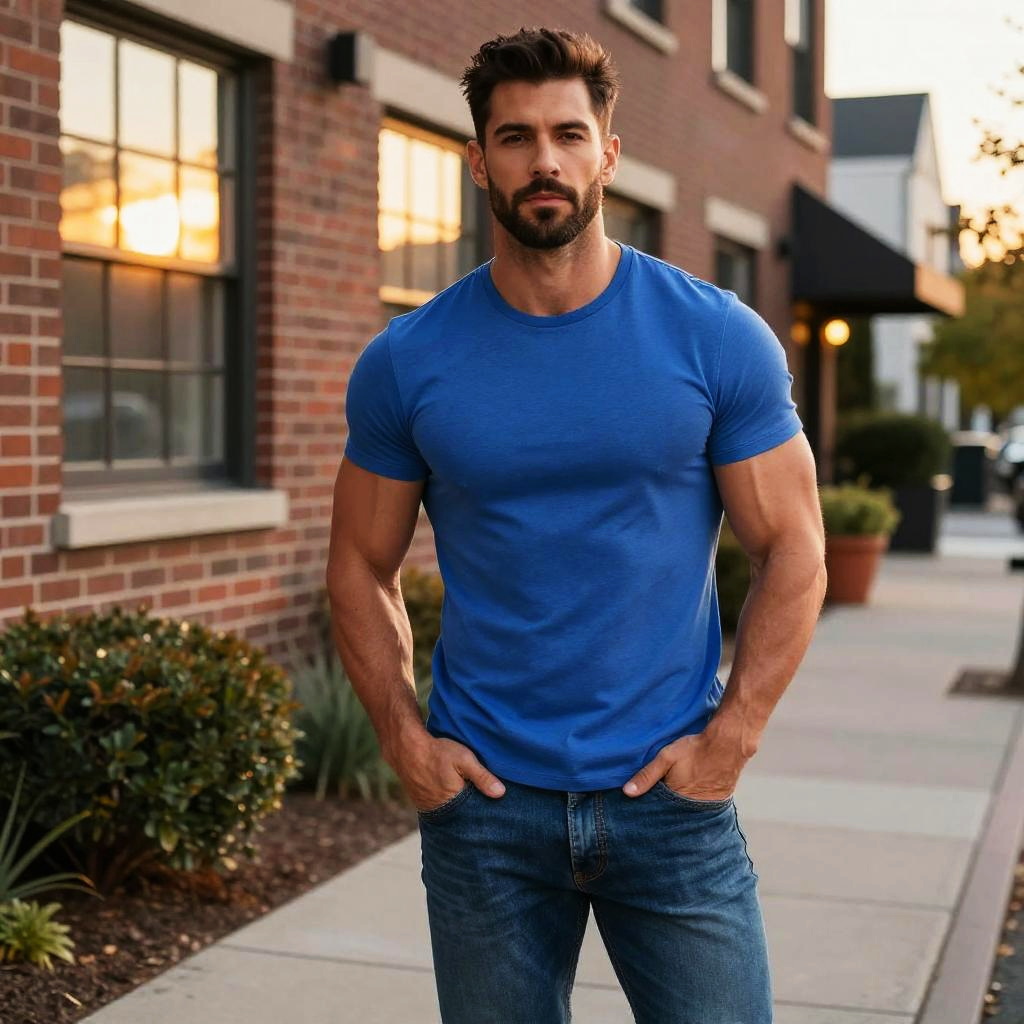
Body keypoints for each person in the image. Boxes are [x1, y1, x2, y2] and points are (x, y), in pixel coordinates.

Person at [326, 26, 826, 1024]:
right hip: (485, 815)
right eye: (514, 138)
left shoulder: (713, 334)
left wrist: (733, 736)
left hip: (669, 807)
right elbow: (358, 562)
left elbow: (794, 549)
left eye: (567, 133)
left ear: (608, 152)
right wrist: (407, 746)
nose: (543, 160)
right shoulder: (408, 360)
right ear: (478, 162)